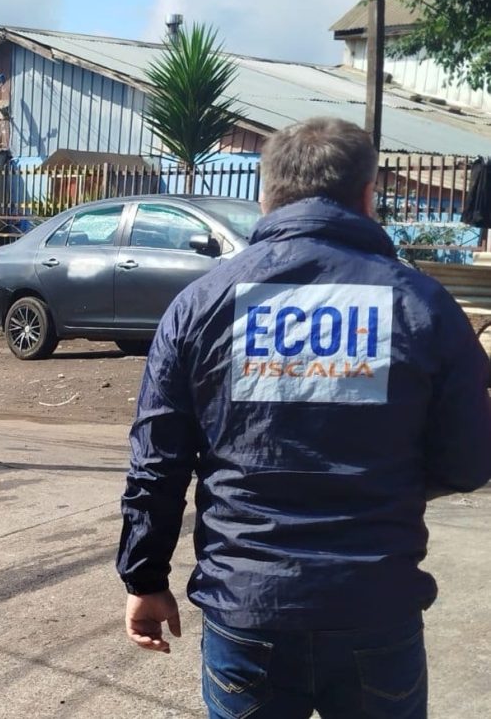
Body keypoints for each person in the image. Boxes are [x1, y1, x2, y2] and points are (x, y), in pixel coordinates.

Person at [116, 117, 491, 719]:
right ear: (367, 195)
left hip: (248, 606)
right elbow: (469, 461)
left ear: (266, 196)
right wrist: (384, 479)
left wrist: (145, 578)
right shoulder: (423, 306)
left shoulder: (200, 305)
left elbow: (157, 464)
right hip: (374, 605)